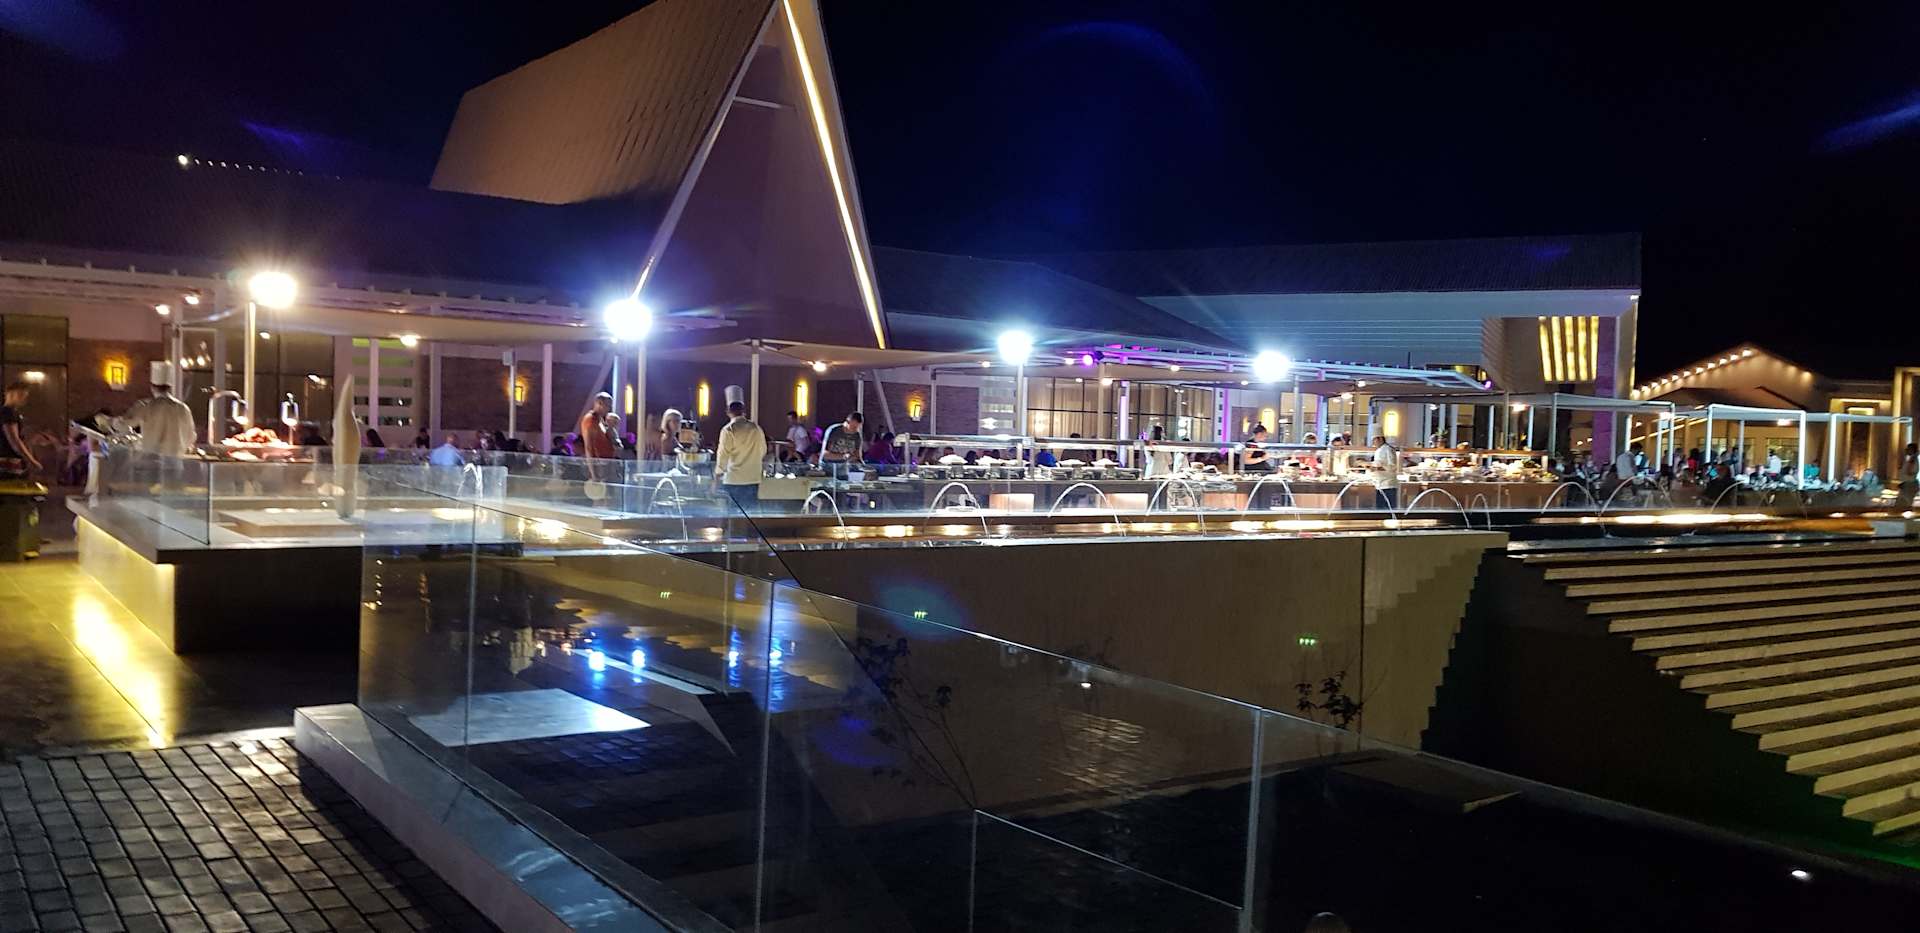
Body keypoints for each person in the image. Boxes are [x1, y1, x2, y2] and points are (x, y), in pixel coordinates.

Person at [113, 362, 196, 456]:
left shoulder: (146, 406)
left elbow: (123, 424)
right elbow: (191, 437)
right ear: (170, 387)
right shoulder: (183, 408)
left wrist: (110, 422)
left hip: (152, 459)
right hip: (175, 461)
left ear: (152, 387)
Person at [712, 401, 767, 511]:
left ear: (728, 412)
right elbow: (763, 450)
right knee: (751, 513)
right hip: (753, 477)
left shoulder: (728, 429)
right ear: (744, 411)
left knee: (734, 514)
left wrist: (717, 477)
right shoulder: (756, 428)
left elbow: (723, 455)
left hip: (734, 478)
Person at [0, 382, 40, 477]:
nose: (24, 400)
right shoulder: (8, 413)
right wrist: (32, 461)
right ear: (10, 394)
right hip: (9, 464)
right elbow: (14, 440)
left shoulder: (6, 412)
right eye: (21, 395)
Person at [818, 411, 863, 479]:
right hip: (828, 467)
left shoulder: (857, 435)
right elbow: (825, 454)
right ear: (847, 422)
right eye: (853, 427)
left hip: (843, 469)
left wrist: (863, 468)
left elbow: (857, 456)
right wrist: (843, 456)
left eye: (858, 427)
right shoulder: (834, 431)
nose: (855, 430)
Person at [579, 393, 615, 459]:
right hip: (598, 461)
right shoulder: (590, 419)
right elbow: (589, 446)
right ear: (599, 403)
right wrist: (592, 464)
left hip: (606, 460)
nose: (609, 409)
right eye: (607, 405)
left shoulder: (600, 420)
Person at [1369, 434, 1400, 509]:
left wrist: (1377, 468)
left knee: (1389, 509)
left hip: (1388, 484)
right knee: (1380, 509)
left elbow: (1392, 467)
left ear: (1380, 439)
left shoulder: (1389, 449)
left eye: (1374, 440)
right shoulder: (1378, 450)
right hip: (1379, 484)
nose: (1373, 442)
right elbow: (1378, 464)